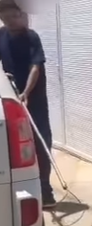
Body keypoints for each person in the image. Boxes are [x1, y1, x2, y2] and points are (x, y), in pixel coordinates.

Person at [0, 0, 56, 208]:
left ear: (20, 15)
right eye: (6, 18)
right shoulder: (1, 36)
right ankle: (20, 190)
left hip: (35, 101)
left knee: (42, 143)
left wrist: (25, 92)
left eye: (14, 16)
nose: (12, 21)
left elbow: (36, 68)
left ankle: (45, 191)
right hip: (11, 100)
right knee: (16, 146)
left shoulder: (31, 37)